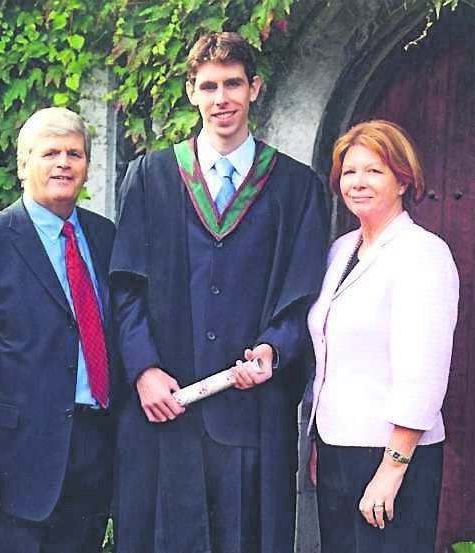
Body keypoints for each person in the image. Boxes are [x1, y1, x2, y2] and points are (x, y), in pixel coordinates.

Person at [110, 32, 330, 553]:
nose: (221, 99)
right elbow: (126, 287)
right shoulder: (151, 178)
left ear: (255, 88)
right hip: (168, 411)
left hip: (252, 416)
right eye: (208, 86)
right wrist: (143, 370)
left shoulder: (296, 187)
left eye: (233, 84)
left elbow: (304, 295)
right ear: (191, 92)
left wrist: (275, 349)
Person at [0, 107, 119, 553]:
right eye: (50, 153)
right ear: (23, 166)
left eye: (75, 153)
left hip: (93, 449)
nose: (64, 162)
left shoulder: (105, 239)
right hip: (14, 463)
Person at [307, 120, 459, 553]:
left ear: (403, 180)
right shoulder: (341, 251)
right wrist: (321, 441)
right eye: (350, 171)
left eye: (374, 171)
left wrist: (391, 470)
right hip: (338, 449)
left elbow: (423, 375)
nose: (358, 182)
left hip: (392, 454)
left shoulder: (423, 254)